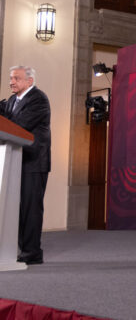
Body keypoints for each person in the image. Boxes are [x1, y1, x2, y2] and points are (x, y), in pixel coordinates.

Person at [0, 66, 51, 265]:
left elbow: (20, 125)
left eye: (16, 78)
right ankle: (18, 248)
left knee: (30, 208)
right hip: (15, 161)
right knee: (15, 209)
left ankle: (32, 252)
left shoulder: (38, 99)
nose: (11, 82)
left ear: (29, 81)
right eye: (11, 78)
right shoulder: (13, 100)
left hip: (34, 162)